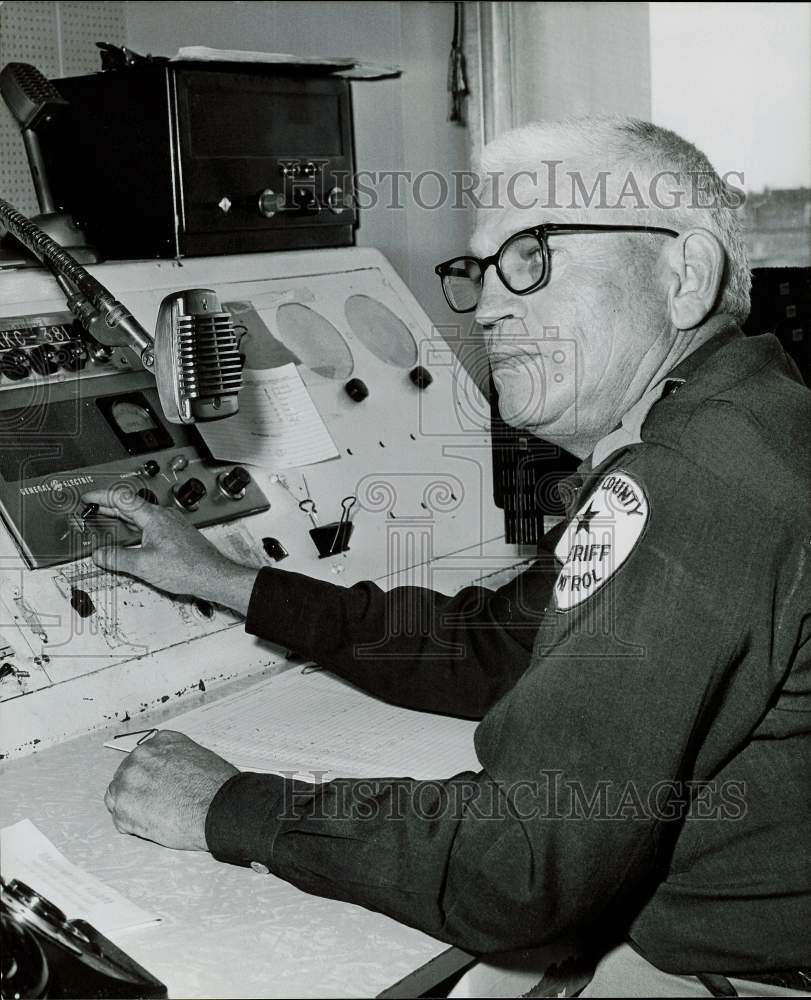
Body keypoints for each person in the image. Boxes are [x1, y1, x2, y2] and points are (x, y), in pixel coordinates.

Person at [83, 118, 810, 997]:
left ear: (683, 276)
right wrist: (218, 577)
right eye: (480, 270)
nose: (491, 305)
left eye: (531, 257)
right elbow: (494, 646)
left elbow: (517, 867)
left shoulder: (691, 478)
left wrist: (234, 807)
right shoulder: (744, 423)